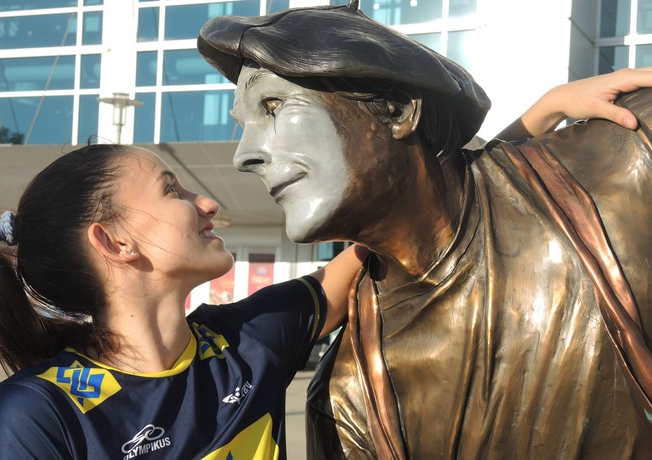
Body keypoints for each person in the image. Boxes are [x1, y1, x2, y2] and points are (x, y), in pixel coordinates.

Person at [198, 3, 652, 459]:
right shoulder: (349, 400)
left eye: (272, 106)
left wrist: (550, 105)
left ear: (397, 110)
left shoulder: (627, 163)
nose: (244, 156)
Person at [0, 143, 368, 459]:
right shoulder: (37, 412)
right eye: (171, 189)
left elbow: (375, 248)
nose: (208, 204)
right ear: (115, 241)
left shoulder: (251, 339)